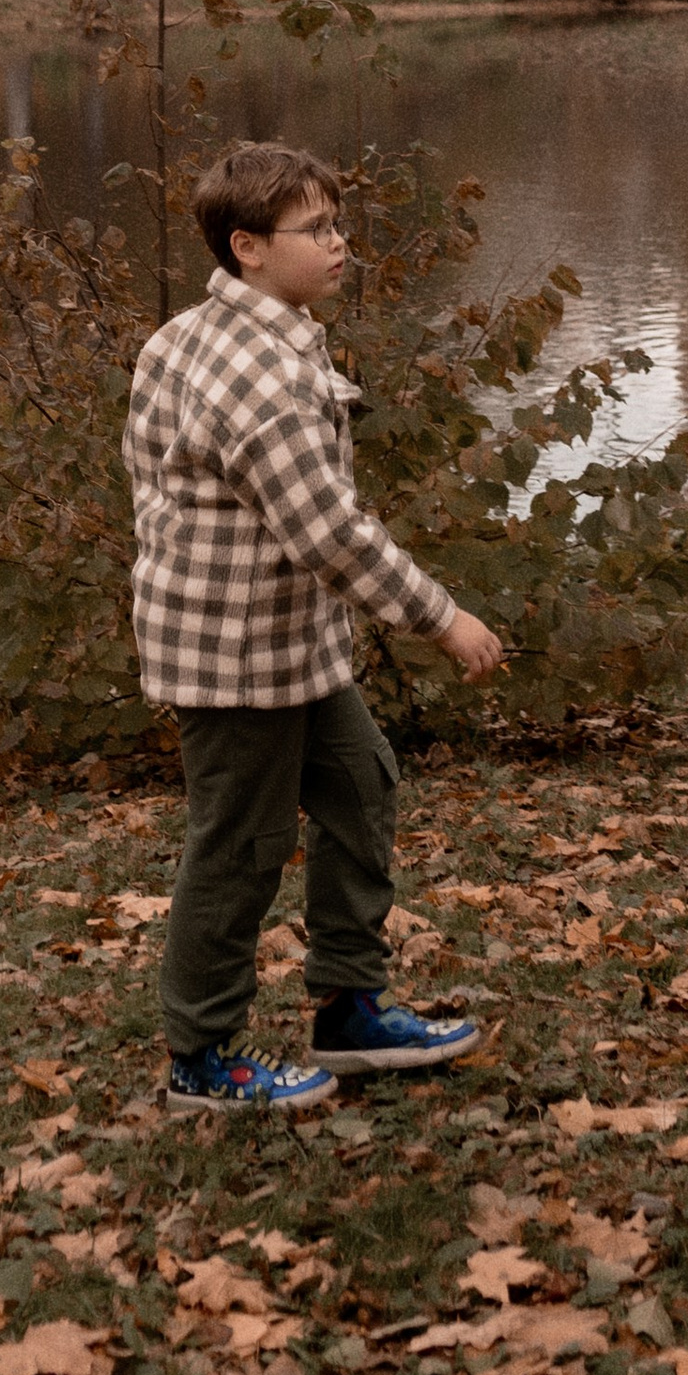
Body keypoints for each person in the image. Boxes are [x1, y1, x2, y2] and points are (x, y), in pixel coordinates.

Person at [125, 135, 506, 1112]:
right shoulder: (259, 378)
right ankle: (201, 1057)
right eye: (316, 229)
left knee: (357, 779)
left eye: (337, 223)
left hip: (286, 644)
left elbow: (160, 488)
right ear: (246, 245)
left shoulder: (203, 335)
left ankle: (349, 1009)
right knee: (239, 843)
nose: (340, 244)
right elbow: (329, 533)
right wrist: (442, 616)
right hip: (231, 655)